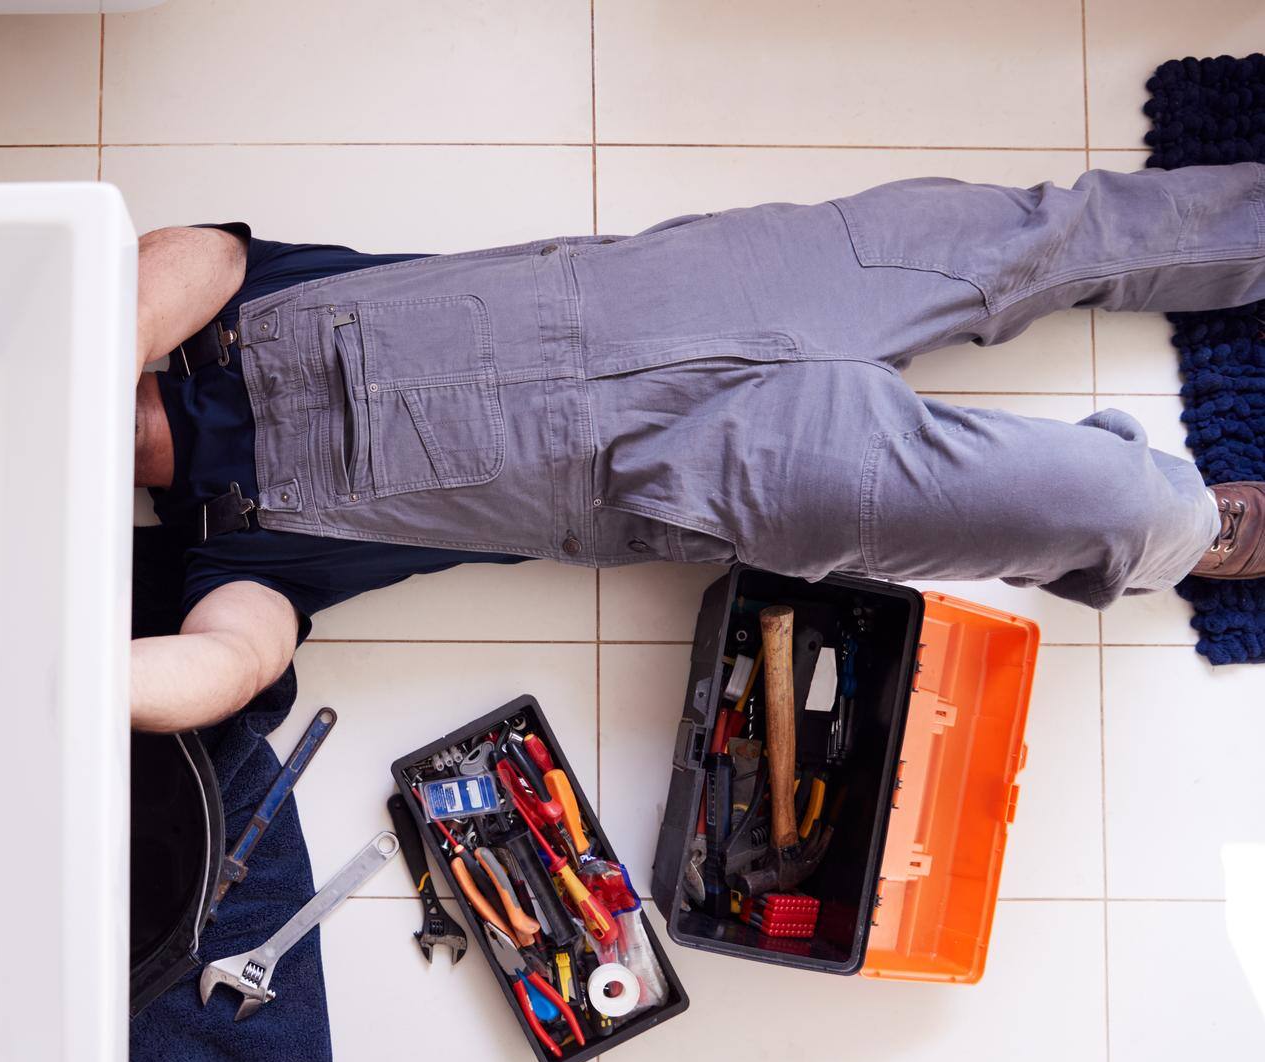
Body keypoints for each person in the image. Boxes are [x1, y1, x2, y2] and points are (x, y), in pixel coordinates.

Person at [130, 164, 1265, 733]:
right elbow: (230, 666)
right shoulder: (240, 561)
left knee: (1044, 234)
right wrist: (59, 679)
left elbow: (175, 258)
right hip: (732, 460)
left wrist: (71, 370)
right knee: (1115, 505)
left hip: (735, 281)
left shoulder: (221, 294)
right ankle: (1206, 529)